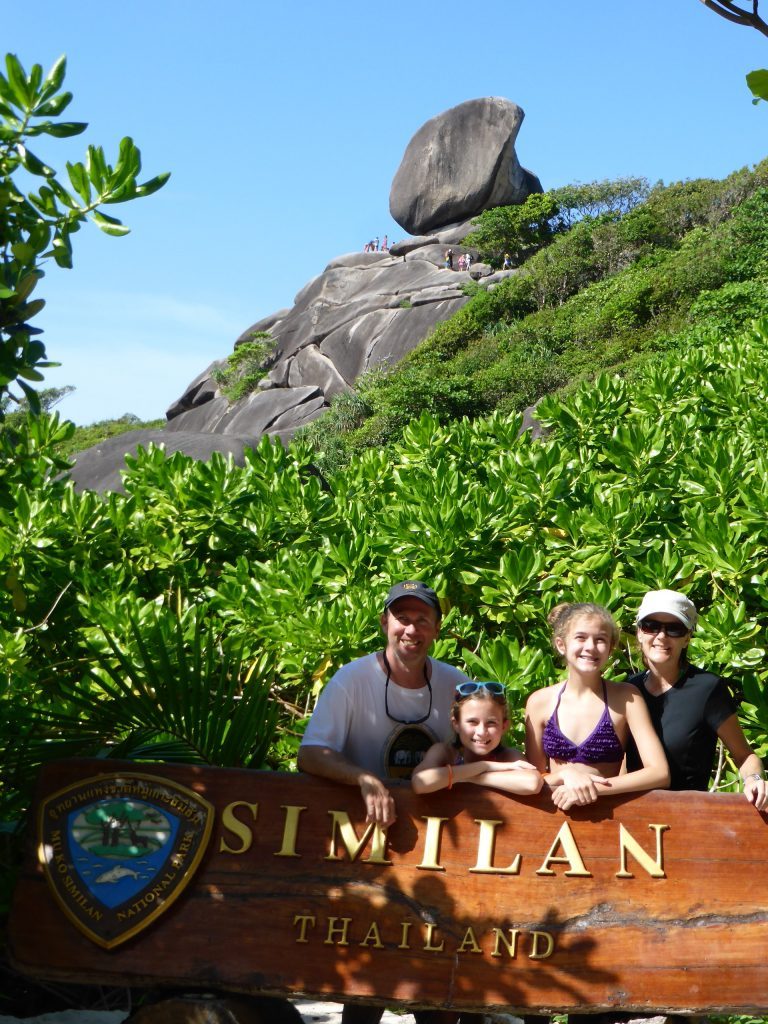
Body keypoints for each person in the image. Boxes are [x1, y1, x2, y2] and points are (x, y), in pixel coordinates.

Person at [298, 580, 475, 1024]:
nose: (410, 629)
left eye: (422, 620)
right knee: (369, 978)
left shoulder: (456, 683)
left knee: (436, 984)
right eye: (402, 618)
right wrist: (364, 779)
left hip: (438, 850)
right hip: (368, 845)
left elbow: (483, 745)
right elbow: (311, 753)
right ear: (384, 623)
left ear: (436, 629)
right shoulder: (352, 679)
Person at [626, 589, 768, 808]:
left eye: (674, 629)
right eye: (651, 626)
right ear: (639, 633)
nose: (661, 636)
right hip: (630, 819)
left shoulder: (708, 688)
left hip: (690, 821)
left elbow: (744, 756)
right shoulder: (627, 690)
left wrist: (754, 780)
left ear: (687, 638)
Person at [526, 603, 670, 810]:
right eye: (581, 638)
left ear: (610, 648)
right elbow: (534, 778)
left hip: (607, 814)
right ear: (561, 644)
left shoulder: (627, 698)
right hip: (556, 814)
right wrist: (566, 775)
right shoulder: (539, 702)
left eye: (600, 639)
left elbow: (659, 772)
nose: (590, 647)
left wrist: (594, 788)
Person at [412, 680, 542, 796]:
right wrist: (485, 766)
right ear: (456, 724)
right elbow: (420, 782)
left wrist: (470, 777)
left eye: (491, 723)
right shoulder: (444, 752)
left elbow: (532, 783)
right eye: (473, 722)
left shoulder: (508, 756)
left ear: (504, 726)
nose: (481, 732)